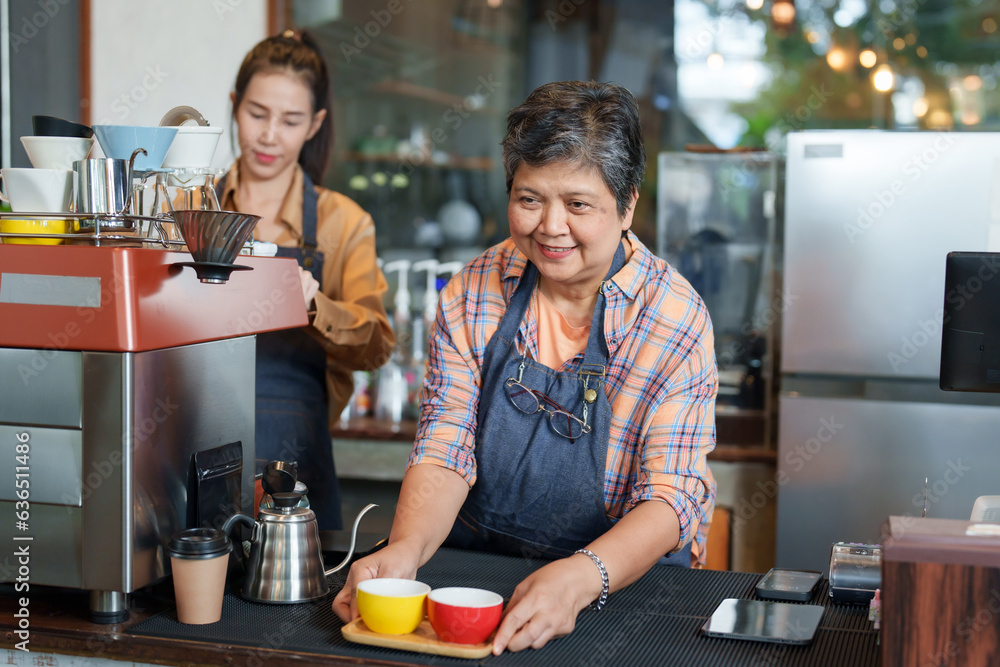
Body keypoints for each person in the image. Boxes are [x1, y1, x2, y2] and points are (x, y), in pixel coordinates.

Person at [332, 80, 717, 652]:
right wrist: (403, 552)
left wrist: (582, 576)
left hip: (624, 589)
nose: (550, 227)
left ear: (628, 203)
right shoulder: (473, 292)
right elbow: (444, 447)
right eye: (530, 199)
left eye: (579, 204)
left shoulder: (674, 316)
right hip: (484, 581)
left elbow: (671, 495)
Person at [219, 30, 395, 530]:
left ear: (315, 123)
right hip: (195, 448)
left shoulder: (344, 222)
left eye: (291, 120)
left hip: (296, 458)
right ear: (234, 106)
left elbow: (377, 345)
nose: (270, 135)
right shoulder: (192, 211)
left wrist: (315, 306)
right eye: (257, 114)